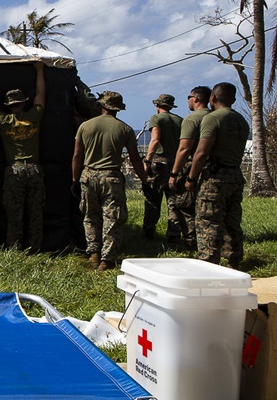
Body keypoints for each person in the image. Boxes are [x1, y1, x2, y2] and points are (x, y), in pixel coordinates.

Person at [72, 91, 149, 270]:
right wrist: (144, 181)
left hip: (88, 176)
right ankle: (108, 259)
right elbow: (135, 159)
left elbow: (77, 155)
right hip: (112, 177)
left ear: (102, 105)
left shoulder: (85, 126)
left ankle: (93, 252)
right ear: (118, 108)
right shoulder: (125, 129)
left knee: (91, 216)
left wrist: (75, 180)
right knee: (113, 218)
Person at [187, 82, 250, 269]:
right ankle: (234, 262)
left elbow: (201, 152)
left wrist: (191, 177)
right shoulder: (241, 121)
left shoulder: (213, 118)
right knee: (232, 221)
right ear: (233, 100)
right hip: (235, 174)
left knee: (208, 221)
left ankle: (209, 265)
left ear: (213, 98)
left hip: (215, 177)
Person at [0, 62, 46, 251]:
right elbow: (41, 95)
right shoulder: (34, 116)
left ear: (9, 106)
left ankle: (14, 247)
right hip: (34, 169)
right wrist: (40, 70)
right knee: (35, 212)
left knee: (14, 213)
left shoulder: (4, 120)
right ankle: (34, 247)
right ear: (23, 103)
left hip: (15, 170)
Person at [168, 86, 211, 250]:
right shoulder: (215, 117)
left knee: (185, 206)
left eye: (189, 97)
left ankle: (191, 242)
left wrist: (174, 173)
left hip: (191, 167)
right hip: (212, 169)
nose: (187, 100)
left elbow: (184, 149)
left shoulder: (192, 119)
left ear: (196, 99)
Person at [142, 94, 183, 242]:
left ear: (158, 106)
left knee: (153, 198)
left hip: (160, 161)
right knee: (173, 200)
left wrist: (147, 160)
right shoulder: (180, 120)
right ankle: (174, 233)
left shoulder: (157, 119)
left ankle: (149, 232)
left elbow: (155, 140)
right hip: (176, 162)